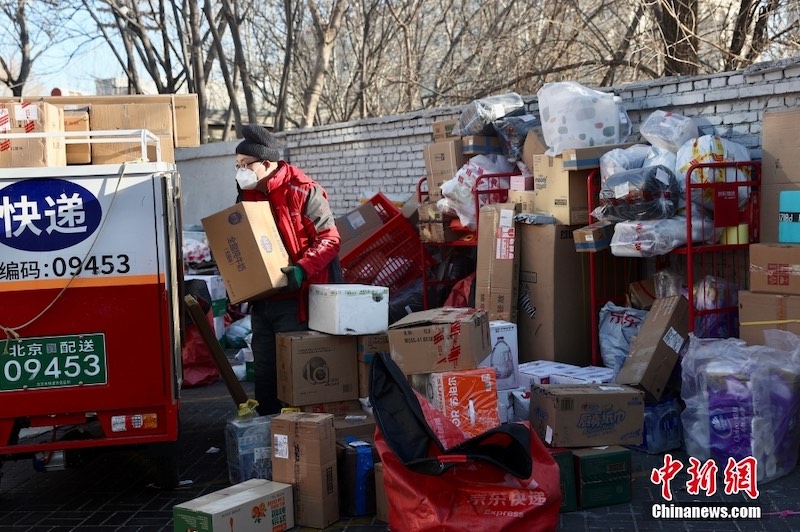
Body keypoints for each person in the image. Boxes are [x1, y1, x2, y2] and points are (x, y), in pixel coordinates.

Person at [234, 124, 341, 415]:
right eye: (237, 166)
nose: (239, 172)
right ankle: (269, 427)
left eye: (245, 165)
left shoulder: (302, 190)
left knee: (294, 372)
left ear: (266, 163)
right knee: (265, 369)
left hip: (297, 299)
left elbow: (330, 240)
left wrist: (301, 269)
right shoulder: (247, 194)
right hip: (262, 299)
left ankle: (300, 432)